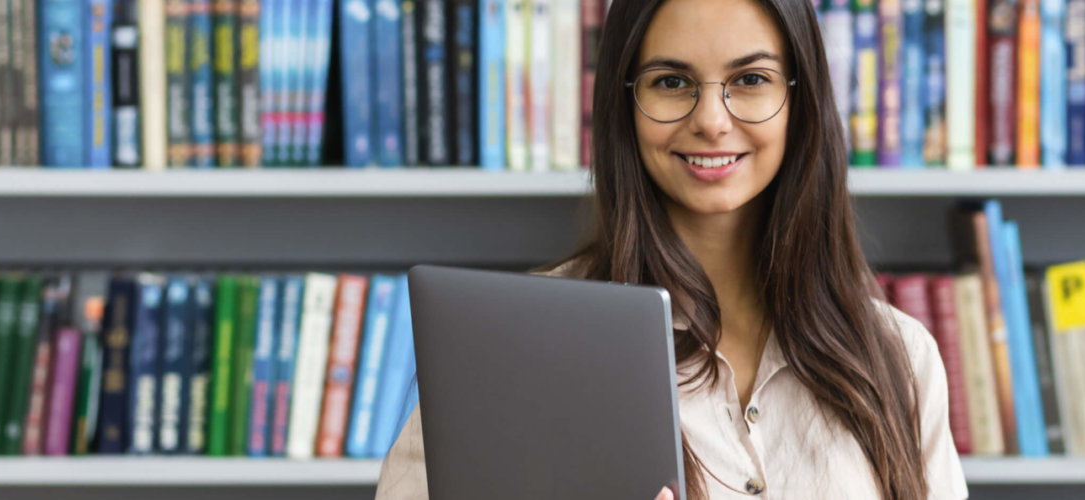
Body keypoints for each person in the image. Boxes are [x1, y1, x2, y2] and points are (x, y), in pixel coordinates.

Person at [376, 0, 968, 498]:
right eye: (671, 82)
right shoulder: (507, 350)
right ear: (624, 104)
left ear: (801, 100)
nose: (711, 120)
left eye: (751, 80)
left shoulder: (899, 358)